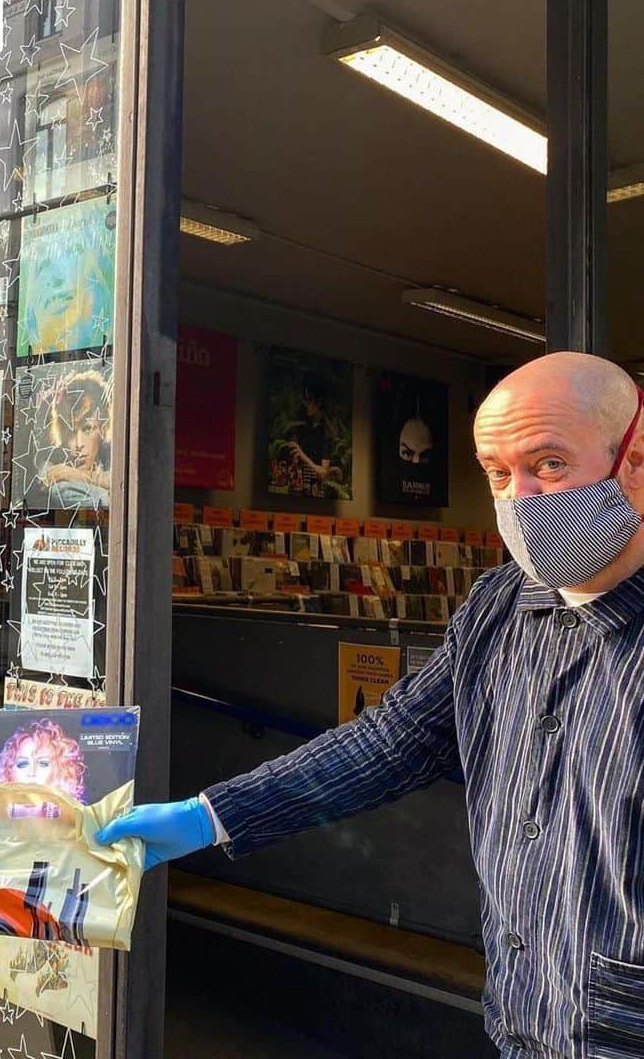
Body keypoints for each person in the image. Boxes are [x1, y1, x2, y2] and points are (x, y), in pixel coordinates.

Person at [99, 351, 644, 1059]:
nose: (522, 502)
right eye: (498, 474)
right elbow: (390, 742)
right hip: (521, 1023)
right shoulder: (498, 610)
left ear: (634, 461)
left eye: (548, 464)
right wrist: (211, 816)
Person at [39, 369, 111, 509]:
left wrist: (75, 474)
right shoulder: (60, 485)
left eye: (88, 429)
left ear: (103, 427)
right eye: (70, 432)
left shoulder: (113, 456)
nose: (78, 445)